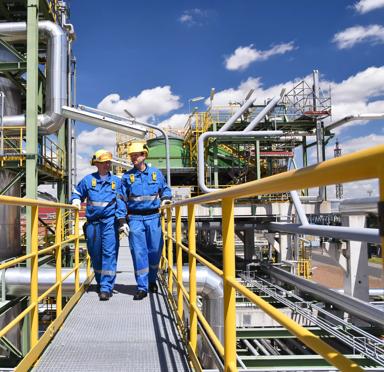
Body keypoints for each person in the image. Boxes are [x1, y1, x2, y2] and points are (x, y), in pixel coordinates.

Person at [71, 149, 128, 301]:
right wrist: (76, 200)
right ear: (96, 164)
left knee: (109, 254)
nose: (106, 165)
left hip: (110, 222)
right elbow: (77, 193)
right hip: (93, 224)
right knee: (95, 254)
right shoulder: (88, 180)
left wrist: (122, 221)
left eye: (108, 162)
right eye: (103, 163)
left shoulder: (116, 182)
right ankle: (100, 280)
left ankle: (106, 287)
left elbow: (121, 202)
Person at [121, 140, 172, 300]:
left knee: (155, 250)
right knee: (139, 253)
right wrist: (122, 220)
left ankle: (152, 280)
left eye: (136, 155)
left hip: (154, 217)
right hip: (135, 218)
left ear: (144, 155)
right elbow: (121, 199)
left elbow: (165, 189)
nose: (133, 158)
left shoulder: (156, 173)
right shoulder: (127, 177)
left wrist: (166, 199)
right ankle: (142, 287)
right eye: (132, 156)